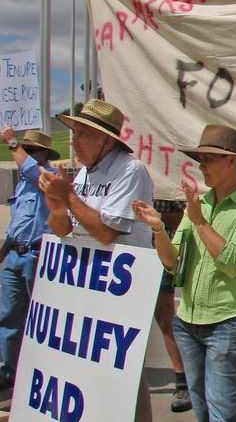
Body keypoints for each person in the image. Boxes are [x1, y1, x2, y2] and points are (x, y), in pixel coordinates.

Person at [133, 124, 236, 422]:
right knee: (204, 412)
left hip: (233, 324)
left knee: (227, 414)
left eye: (209, 158)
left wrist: (198, 222)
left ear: (232, 161)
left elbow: (234, 262)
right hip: (190, 322)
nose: (201, 165)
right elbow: (174, 263)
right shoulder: (202, 204)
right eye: (201, 159)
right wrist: (158, 228)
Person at [38, 98, 155, 421]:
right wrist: (57, 206)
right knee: (92, 373)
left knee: (125, 374)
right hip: (90, 288)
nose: (73, 141)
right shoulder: (84, 175)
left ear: (107, 140)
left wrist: (69, 197)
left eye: (82, 134)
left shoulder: (130, 170)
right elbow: (63, 230)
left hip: (120, 288)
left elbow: (105, 232)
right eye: (74, 133)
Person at [0, 127, 60, 390]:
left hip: (38, 254)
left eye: (31, 150)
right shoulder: (24, 181)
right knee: (8, 314)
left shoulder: (50, 176)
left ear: (43, 153)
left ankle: (40, 365)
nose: (25, 153)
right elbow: (18, 222)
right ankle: (10, 368)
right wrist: (3, 251)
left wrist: (13, 143)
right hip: (15, 253)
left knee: (39, 316)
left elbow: (32, 171)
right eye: (25, 149)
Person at [152, 198, 193, 413]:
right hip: (126, 252)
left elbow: (183, 217)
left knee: (164, 317)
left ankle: (183, 381)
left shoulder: (163, 183)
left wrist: (151, 218)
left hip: (159, 254)